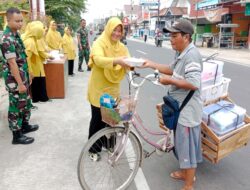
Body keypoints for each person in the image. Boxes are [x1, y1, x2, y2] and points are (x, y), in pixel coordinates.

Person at [141, 19, 203, 190]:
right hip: (179, 108)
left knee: (188, 148)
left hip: (187, 111)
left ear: (186, 37)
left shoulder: (191, 56)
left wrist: (169, 81)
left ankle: (189, 184)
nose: (171, 39)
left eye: (175, 36)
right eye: (171, 35)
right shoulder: (181, 53)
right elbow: (171, 68)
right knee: (182, 145)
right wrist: (151, 64)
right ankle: (185, 173)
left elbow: (194, 83)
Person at [87, 17, 132, 161]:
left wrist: (133, 65)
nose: (117, 33)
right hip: (99, 88)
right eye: (115, 30)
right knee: (98, 119)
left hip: (113, 88)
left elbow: (128, 59)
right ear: (108, 29)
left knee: (112, 118)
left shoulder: (121, 46)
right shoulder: (99, 43)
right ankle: (93, 149)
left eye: (120, 31)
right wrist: (116, 61)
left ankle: (109, 143)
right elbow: (98, 60)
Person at [0, 7, 39, 144]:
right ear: (8, 20)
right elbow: (12, 63)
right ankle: (16, 135)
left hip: (22, 75)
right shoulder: (6, 39)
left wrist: (28, 72)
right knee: (16, 105)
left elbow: (21, 57)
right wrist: (20, 83)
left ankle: (24, 126)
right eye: (17, 21)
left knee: (26, 101)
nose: (20, 24)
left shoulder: (16, 35)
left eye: (21, 21)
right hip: (15, 79)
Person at [22, 21, 52, 103]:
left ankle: (39, 98)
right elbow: (27, 58)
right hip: (33, 66)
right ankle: (38, 99)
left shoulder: (33, 39)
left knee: (38, 82)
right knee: (36, 82)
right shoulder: (30, 42)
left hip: (36, 64)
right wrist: (30, 71)